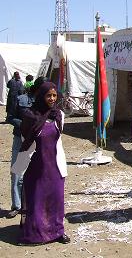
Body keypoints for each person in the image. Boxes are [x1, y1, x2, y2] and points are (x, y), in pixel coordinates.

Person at [11, 81, 70, 245]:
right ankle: (35, 234)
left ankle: (57, 231)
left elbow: (58, 140)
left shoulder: (58, 115)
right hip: (37, 166)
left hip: (55, 166)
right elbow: (25, 140)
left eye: (54, 95)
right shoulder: (31, 116)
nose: (52, 98)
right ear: (41, 96)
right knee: (37, 199)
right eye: (48, 95)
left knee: (56, 199)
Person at [6, 76, 49, 219]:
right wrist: (25, 126)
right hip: (21, 139)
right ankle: (17, 206)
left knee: (38, 174)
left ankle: (33, 205)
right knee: (17, 172)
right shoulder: (21, 99)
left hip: (38, 142)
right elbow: (10, 117)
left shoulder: (46, 103)